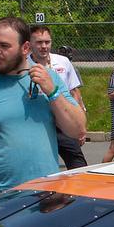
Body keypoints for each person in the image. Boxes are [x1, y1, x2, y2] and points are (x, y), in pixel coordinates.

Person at [0, 15, 84, 208]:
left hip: (46, 198)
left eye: (4, 46)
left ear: (25, 48)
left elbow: (77, 129)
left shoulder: (49, 78)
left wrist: (52, 92)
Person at [30, 26, 87, 169]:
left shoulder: (63, 62)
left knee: (78, 163)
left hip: (63, 119)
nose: (44, 46)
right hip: (39, 123)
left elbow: (74, 92)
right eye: (39, 42)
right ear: (29, 44)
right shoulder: (24, 65)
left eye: (47, 42)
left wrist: (80, 124)